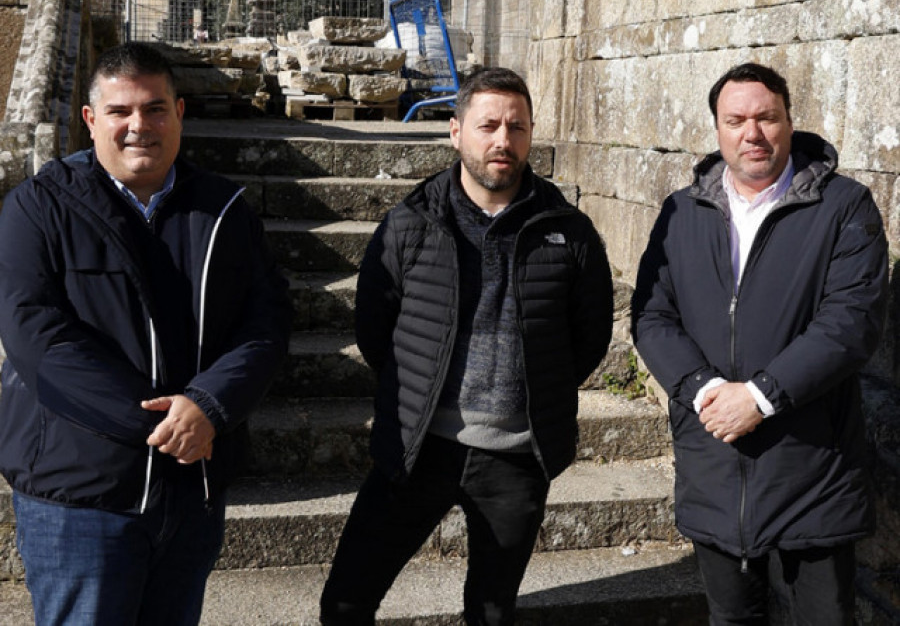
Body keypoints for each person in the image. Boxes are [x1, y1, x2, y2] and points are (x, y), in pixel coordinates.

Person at [0, 42, 292, 625]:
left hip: (190, 493)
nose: (139, 126)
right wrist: (166, 427)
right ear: (90, 120)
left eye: (155, 109)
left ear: (179, 112)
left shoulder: (224, 209)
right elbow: (38, 339)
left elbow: (266, 322)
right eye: (120, 111)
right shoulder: (38, 207)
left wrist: (210, 406)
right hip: (81, 497)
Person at [319, 67, 614, 625]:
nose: (503, 140)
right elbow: (375, 330)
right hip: (418, 447)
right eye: (488, 126)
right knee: (347, 599)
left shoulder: (569, 232)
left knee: (492, 611)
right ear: (456, 131)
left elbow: (587, 338)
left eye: (517, 127)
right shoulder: (411, 224)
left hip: (515, 458)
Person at [631, 62, 888, 625]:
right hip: (715, 465)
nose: (753, 133)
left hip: (811, 472)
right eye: (736, 120)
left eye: (767, 117)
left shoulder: (843, 206)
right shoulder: (681, 212)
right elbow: (652, 314)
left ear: (789, 123)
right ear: (718, 130)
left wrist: (762, 397)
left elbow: (851, 322)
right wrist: (704, 390)